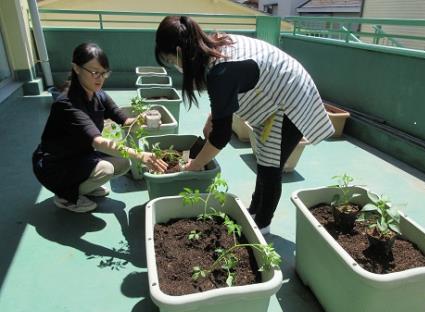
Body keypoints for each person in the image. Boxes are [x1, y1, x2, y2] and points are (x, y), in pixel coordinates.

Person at [154, 16, 334, 234]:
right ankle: (253, 212)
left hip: (290, 97)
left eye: (171, 60)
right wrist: (214, 116)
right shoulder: (214, 44)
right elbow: (229, 93)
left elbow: (221, 137)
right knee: (266, 160)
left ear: (180, 52)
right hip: (274, 92)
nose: (174, 66)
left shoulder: (221, 73)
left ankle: (263, 225)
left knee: (271, 165)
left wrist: (194, 165)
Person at [32, 43, 167, 213]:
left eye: (104, 73)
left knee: (123, 162)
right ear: (77, 68)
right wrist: (141, 156)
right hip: (56, 165)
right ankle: (65, 195)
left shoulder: (97, 93)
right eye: (95, 72)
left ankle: (84, 186)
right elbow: (98, 142)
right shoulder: (67, 103)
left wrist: (142, 120)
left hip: (80, 153)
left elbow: (123, 119)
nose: (100, 78)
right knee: (107, 169)